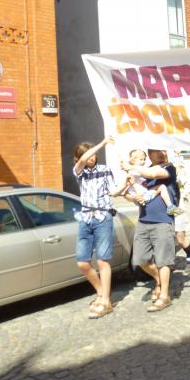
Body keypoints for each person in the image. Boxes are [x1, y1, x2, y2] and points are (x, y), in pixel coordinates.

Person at [125, 149, 180, 313]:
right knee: (140, 259)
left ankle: (164, 296)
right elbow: (129, 190)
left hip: (163, 221)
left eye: (163, 150)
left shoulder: (168, 167)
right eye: (157, 151)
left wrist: (130, 166)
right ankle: (159, 280)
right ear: (150, 154)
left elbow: (154, 173)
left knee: (163, 260)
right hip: (143, 220)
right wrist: (132, 197)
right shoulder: (143, 171)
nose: (161, 153)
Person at [72, 136, 119, 319]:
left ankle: (105, 301)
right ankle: (100, 292)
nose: (91, 157)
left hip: (103, 216)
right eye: (87, 155)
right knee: (82, 262)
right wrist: (103, 143)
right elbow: (83, 160)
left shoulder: (105, 170)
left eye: (93, 154)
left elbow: (113, 191)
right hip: (85, 218)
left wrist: (125, 184)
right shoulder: (79, 171)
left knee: (102, 261)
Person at [119, 149, 183, 216]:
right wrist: (134, 198)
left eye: (144, 159)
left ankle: (170, 207)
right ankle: (170, 207)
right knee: (161, 187)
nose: (143, 161)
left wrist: (166, 164)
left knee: (162, 187)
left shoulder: (169, 168)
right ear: (150, 154)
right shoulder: (135, 171)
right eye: (141, 159)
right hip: (144, 210)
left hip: (163, 219)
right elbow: (125, 193)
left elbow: (153, 173)